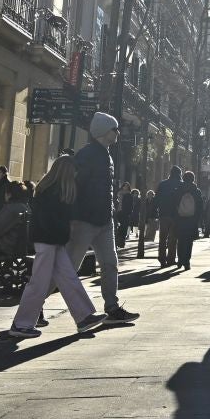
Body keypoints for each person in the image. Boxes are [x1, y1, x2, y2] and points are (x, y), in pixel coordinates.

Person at [6, 154, 102, 339]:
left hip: (52, 240)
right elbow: (51, 220)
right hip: (47, 241)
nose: (76, 174)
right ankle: (21, 324)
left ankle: (84, 317)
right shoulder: (54, 192)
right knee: (39, 282)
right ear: (67, 172)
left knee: (68, 278)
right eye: (74, 171)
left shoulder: (51, 190)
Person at [71, 113, 139, 322]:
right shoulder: (87, 155)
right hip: (84, 219)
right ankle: (37, 305)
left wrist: (110, 210)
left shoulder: (106, 154)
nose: (118, 132)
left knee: (110, 263)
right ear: (103, 131)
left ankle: (112, 307)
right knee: (68, 267)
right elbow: (76, 185)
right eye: (114, 129)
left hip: (104, 219)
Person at [174, 169, 205, 270]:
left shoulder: (178, 189)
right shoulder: (196, 190)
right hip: (192, 220)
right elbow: (200, 206)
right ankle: (187, 261)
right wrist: (197, 218)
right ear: (193, 179)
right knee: (189, 241)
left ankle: (179, 260)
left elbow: (174, 203)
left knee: (180, 240)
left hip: (180, 219)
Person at [155, 165, 184, 267]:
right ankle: (171, 259)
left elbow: (156, 198)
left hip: (164, 214)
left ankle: (161, 258)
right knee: (173, 238)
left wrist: (155, 211)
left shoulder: (163, 184)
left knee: (162, 238)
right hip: (176, 215)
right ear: (179, 174)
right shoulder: (181, 185)